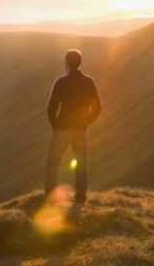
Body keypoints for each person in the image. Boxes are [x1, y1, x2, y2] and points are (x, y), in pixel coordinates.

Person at [41, 49, 101, 205]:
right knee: (81, 163)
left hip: (62, 130)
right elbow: (97, 108)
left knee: (53, 163)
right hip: (81, 130)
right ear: (79, 63)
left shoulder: (60, 82)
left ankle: (49, 196)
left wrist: (56, 126)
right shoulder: (89, 81)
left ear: (67, 64)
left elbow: (50, 109)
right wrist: (85, 122)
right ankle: (80, 197)